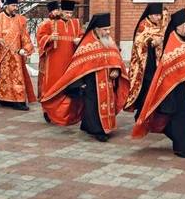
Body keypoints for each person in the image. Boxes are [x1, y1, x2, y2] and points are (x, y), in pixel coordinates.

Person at [132, 9, 185, 158]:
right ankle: (182, 148)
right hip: (178, 91)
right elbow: (170, 68)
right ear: (178, 27)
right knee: (181, 120)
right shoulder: (172, 42)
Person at [42, 13, 129, 141]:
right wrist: (80, 83)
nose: (108, 32)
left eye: (109, 29)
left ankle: (92, 125)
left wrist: (116, 70)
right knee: (92, 106)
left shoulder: (109, 41)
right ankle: (98, 131)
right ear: (97, 29)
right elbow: (78, 66)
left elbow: (116, 58)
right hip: (91, 82)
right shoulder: (87, 42)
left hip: (108, 80)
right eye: (105, 29)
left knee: (105, 104)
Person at [0, 0, 35, 110]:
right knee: (0, 77)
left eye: (16, 6)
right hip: (1, 55)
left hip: (16, 55)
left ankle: (18, 101)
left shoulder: (20, 20)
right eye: (13, 5)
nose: (15, 8)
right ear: (7, 5)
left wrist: (27, 48)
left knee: (17, 77)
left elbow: (24, 36)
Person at [124, 3, 166, 119]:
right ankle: (141, 115)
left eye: (160, 15)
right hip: (144, 65)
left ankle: (150, 115)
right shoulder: (143, 25)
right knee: (146, 88)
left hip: (155, 61)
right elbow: (138, 43)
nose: (159, 18)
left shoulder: (157, 25)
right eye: (156, 15)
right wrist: (152, 42)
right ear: (150, 15)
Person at [36, 0, 81, 105]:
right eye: (66, 13)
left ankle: (65, 109)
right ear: (61, 11)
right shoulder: (50, 23)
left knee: (67, 84)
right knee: (53, 83)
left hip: (70, 60)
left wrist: (79, 40)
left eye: (71, 13)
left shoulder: (76, 24)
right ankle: (50, 107)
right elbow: (40, 37)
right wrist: (50, 38)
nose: (69, 15)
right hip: (54, 61)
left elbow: (82, 35)